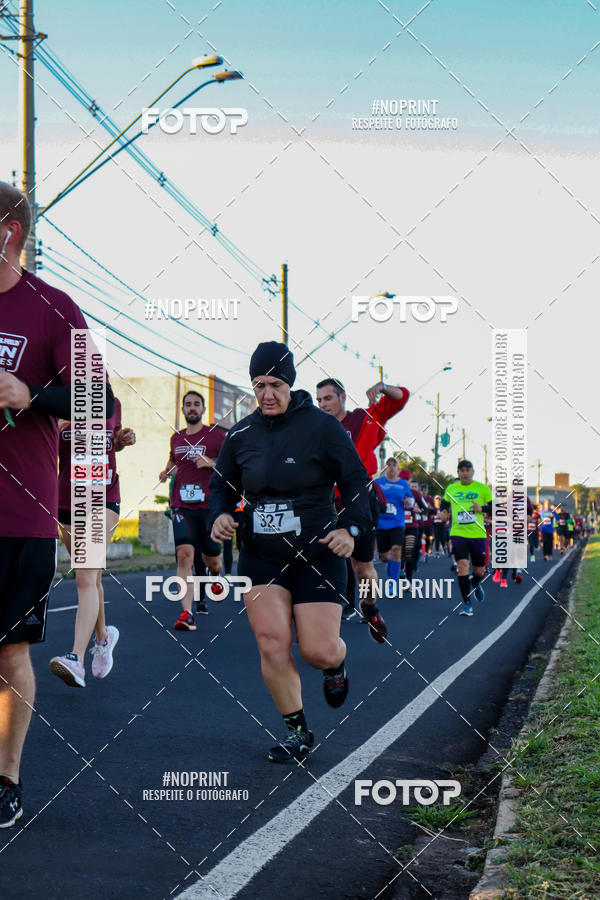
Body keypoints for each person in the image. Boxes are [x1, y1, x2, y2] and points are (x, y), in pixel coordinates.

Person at [0, 182, 114, 827]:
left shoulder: (53, 308)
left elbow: (92, 402)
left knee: (9, 652)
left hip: (18, 513)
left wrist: (28, 393)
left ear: (7, 233)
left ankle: (6, 779)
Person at [210, 342, 371, 764]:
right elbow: (220, 489)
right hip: (261, 555)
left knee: (316, 650)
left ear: (290, 383)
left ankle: (336, 663)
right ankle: (297, 732)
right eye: (259, 385)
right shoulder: (240, 434)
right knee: (271, 643)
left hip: (318, 551)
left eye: (276, 384)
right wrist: (221, 515)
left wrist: (350, 530)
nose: (267, 394)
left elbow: (356, 482)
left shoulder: (322, 427)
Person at [48, 399, 135, 687]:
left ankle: (76, 659)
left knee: (85, 574)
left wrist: (122, 439)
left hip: (104, 498)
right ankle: (103, 637)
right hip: (67, 500)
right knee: (91, 575)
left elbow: (114, 443)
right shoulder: (54, 404)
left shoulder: (111, 403)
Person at [316, 377, 409, 639]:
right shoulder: (314, 427)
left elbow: (400, 398)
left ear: (342, 397)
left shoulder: (363, 419)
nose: (323, 404)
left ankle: (370, 608)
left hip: (359, 502)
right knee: (324, 565)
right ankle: (324, 627)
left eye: (328, 398)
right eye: (319, 400)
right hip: (325, 504)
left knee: (363, 570)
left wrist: (382, 386)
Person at [159, 391, 225, 630]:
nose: (192, 408)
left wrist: (212, 463)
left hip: (209, 506)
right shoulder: (176, 438)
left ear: (203, 409)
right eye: (188, 405)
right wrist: (166, 472)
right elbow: (174, 462)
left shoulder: (217, 436)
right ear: (183, 410)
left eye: (196, 404)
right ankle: (186, 613)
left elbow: (231, 465)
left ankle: (215, 575)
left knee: (212, 559)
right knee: (185, 553)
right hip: (181, 505)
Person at [440, 461, 492, 617]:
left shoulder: (482, 488)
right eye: (461, 470)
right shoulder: (451, 489)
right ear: (458, 472)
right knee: (462, 566)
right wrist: (443, 513)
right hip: (458, 533)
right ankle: (467, 604)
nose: (464, 473)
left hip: (477, 534)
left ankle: (475, 583)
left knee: (479, 571)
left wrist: (481, 509)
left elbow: (496, 508)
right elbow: (444, 506)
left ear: (472, 471)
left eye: (467, 470)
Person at [375, 458, 413, 593]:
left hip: (397, 522)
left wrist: (409, 502)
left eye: (393, 465)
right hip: (381, 523)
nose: (391, 467)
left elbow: (411, 502)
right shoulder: (378, 483)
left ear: (397, 468)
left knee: (397, 549)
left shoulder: (403, 484)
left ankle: (393, 583)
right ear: (385, 467)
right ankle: (391, 566)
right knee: (385, 557)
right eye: (388, 465)